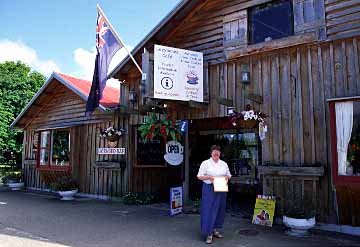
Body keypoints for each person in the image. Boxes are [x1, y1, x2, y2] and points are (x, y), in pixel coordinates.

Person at [197, 145, 231, 244]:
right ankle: (208, 234)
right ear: (211, 153)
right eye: (214, 151)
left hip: (221, 187)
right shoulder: (205, 163)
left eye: (218, 151)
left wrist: (226, 178)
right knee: (209, 210)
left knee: (220, 209)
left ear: (220, 153)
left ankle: (215, 230)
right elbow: (199, 176)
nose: (216, 153)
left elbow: (229, 175)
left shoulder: (223, 164)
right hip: (209, 189)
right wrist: (209, 177)